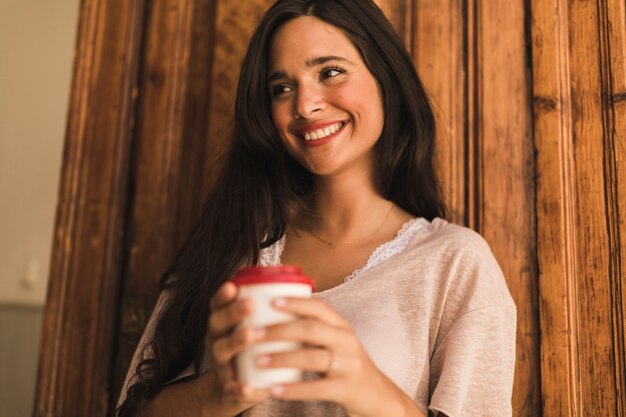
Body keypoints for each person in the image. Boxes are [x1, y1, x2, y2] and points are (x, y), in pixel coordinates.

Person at [116, 0, 517, 416]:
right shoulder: (226, 246)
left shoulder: (454, 263)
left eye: (330, 72)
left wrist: (371, 390)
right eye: (282, 88)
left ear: (386, 77)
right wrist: (220, 392)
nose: (305, 105)